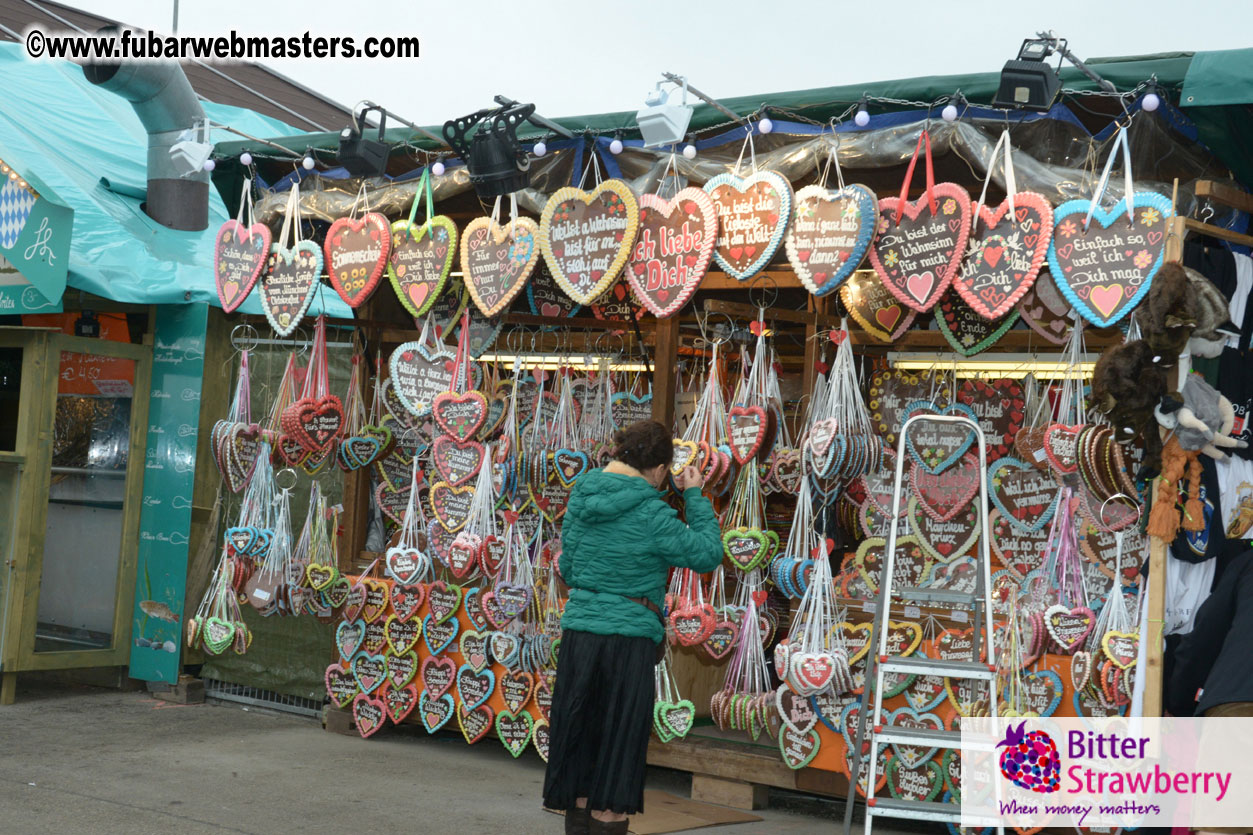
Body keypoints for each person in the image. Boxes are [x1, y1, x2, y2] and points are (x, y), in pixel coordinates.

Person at [542, 420, 724, 834]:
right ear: (660, 470)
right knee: (617, 742)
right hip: (628, 641)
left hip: (580, 636)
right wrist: (694, 494)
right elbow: (708, 554)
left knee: (581, 740)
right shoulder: (653, 514)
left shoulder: (581, 497)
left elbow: (567, 567)